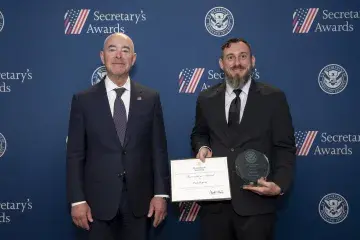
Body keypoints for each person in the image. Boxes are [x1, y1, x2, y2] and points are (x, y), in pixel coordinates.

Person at [66, 33, 170, 240]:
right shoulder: (83, 100)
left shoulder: (151, 98)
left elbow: (158, 150)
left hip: (140, 203)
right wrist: (77, 200)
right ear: (102, 56)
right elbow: (75, 154)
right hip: (97, 205)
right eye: (112, 49)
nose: (119, 56)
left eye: (125, 50)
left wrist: (160, 194)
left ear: (133, 58)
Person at [190, 38, 296, 240]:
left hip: (257, 205)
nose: (236, 62)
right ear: (222, 64)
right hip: (215, 207)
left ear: (252, 60)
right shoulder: (206, 98)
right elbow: (199, 133)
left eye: (242, 56)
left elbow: (285, 147)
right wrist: (202, 146)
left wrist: (280, 185)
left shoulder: (274, 97)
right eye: (230, 57)